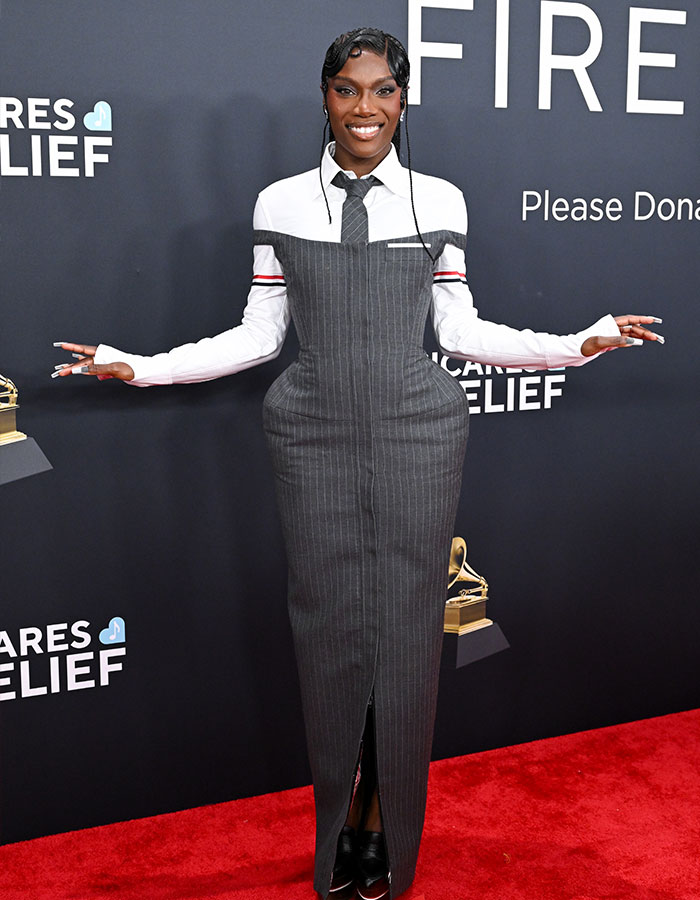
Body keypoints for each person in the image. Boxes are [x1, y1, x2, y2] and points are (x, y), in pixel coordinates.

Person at [52, 28, 663, 900]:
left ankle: (385, 830)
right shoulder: (281, 204)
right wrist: (138, 365)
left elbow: (460, 331)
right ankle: (339, 825)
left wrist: (579, 344)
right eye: (348, 90)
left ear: (404, 99)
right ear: (327, 98)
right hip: (311, 435)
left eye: (382, 90)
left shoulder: (440, 199)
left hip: (421, 432)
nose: (365, 108)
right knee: (328, 635)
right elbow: (258, 335)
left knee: (410, 640)